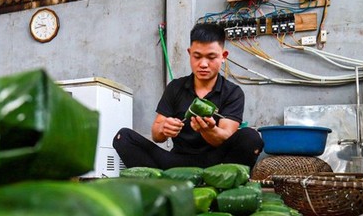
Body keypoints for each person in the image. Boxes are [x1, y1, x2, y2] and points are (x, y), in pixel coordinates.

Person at [113, 22, 264, 170]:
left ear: (223, 56)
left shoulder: (233, 92)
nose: (203, 64)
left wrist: (208, 130)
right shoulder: (175, 87)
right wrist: (164, 129)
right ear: (189, 53)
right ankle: (164, 185)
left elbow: (224, 137)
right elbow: (156, 135)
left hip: (216, 163)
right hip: (176, 162)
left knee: (251, 138)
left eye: (211, 57)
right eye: (197, 56)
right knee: (123, 137)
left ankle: (219, 183)